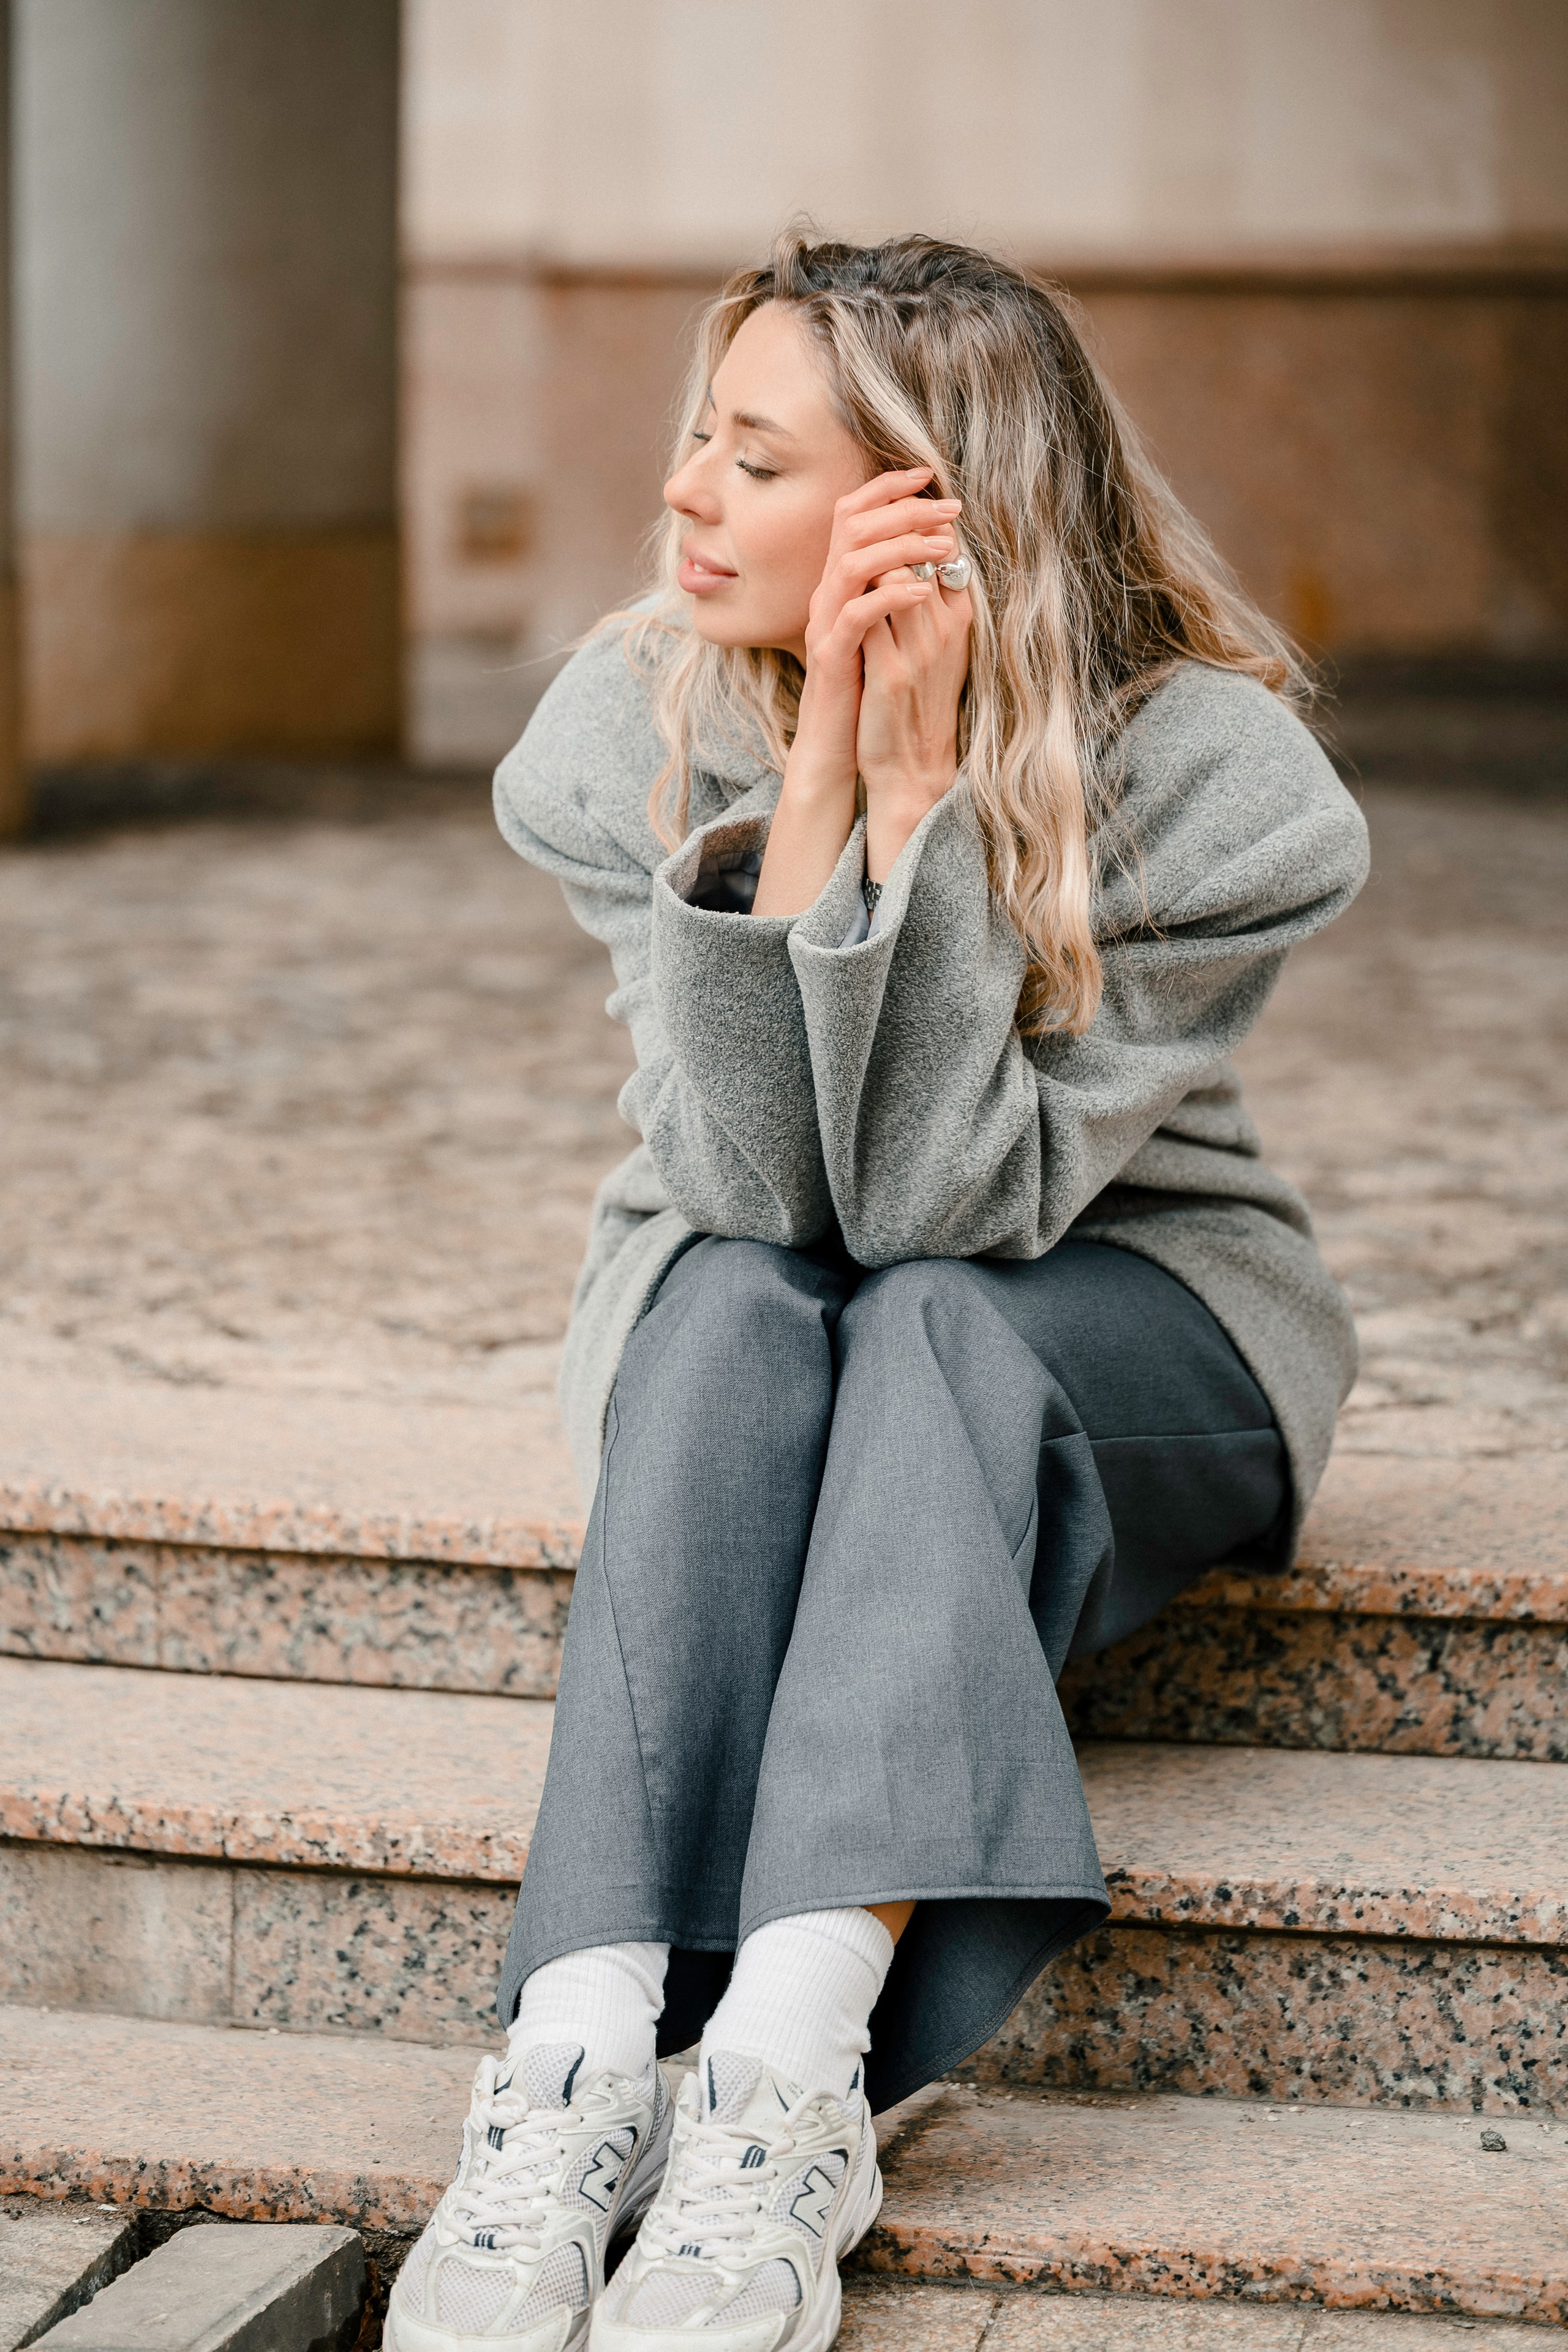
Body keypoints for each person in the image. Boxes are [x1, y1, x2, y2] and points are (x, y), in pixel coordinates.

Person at [385, 232, 1369, 2352]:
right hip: (767, 1310)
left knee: (925, 1324)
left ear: (937, 511)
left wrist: (925, 810)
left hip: (1135, 1316)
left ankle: (783, 2083)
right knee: (736, 1304)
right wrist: (814, 791)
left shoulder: (1218, 785)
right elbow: (760, 1197)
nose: (683, 494)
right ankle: (572, 2071)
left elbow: (942, 1210)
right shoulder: (625, 728)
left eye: (755, 461)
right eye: (700, 439)